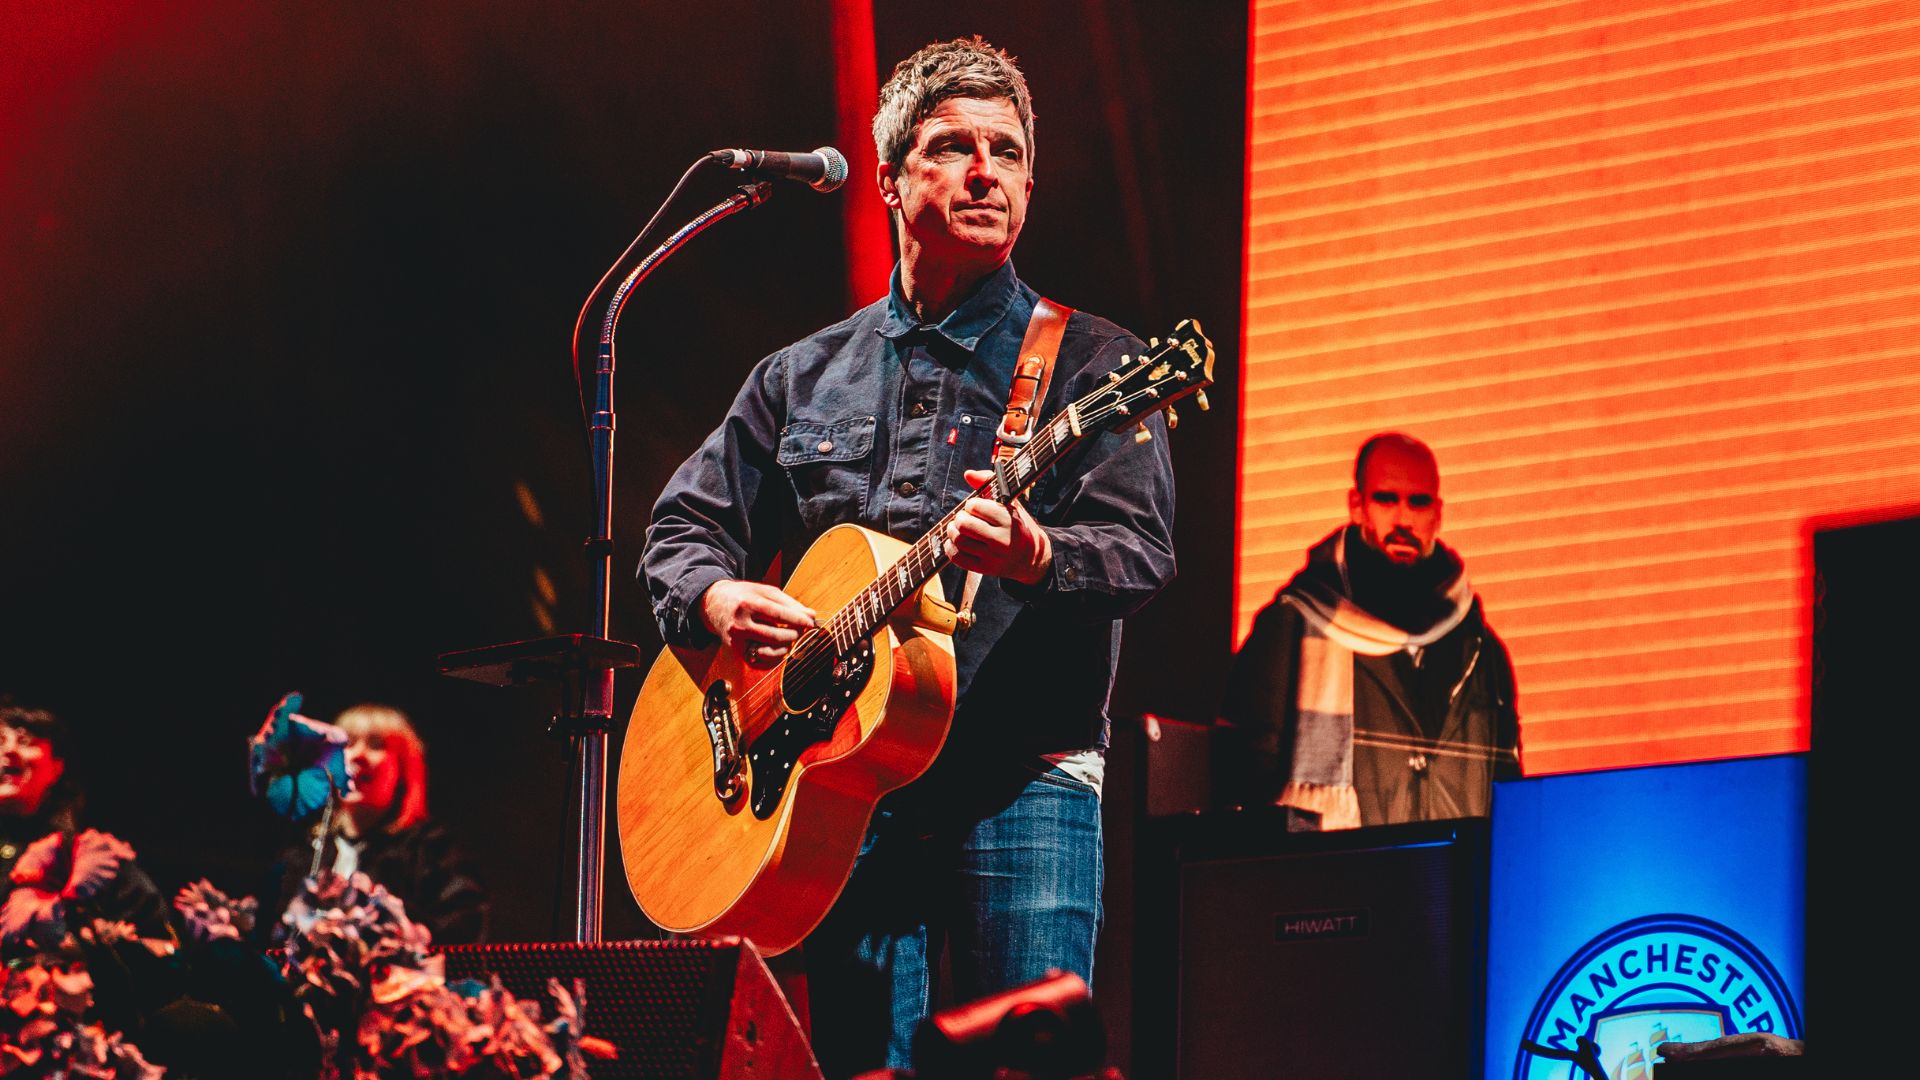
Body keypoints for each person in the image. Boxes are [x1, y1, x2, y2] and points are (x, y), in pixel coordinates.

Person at [642, 37, 1176, 1076]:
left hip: (1020, 790)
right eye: (953, 147)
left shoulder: (1098, 364)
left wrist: (1039, 554)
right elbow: (681, 530)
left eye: (1007, 151)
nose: (986, 171)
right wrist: (714, 603)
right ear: (890, 179)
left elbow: (1140, 551)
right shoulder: (800, 375)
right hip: (841, 798)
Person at [1220, 433, 1520, 828]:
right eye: (1386, 499)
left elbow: (1512, 798)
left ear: (1438, 515)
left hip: (1454, 879)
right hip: (1337, 878)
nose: (1403, 519)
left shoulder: (1482, 649)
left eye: (1418, 502)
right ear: (1357, 506)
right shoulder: (1292, 625)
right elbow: (1243, 787)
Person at [270, 703, 488, 944]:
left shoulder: (433, 849)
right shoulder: (304, 853)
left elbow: (464, 924)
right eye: (348, 743)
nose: (358, 755)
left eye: (375, 745)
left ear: (403, 768)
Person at [0, 702, 171, 941]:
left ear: (57, 767)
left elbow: (158, 941)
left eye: (25, 741)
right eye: (0, 741)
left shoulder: (91, 857)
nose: (8, 751)